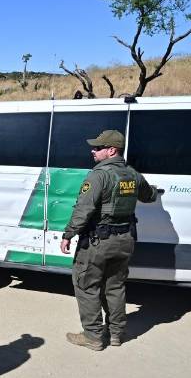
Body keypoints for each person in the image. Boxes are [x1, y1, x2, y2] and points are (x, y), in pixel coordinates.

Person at [60, 130, 159, 351]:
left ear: (112, 150)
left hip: (99, 241)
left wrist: (68, 234)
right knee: (114, 286)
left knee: (87, 285)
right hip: (125, 239)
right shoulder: (132, 174)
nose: (93, 151)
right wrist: (156, 191)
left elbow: (83, 210)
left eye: (98, 148)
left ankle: (93, 336)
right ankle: (116, 334)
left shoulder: (99, 175)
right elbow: (149, 196)